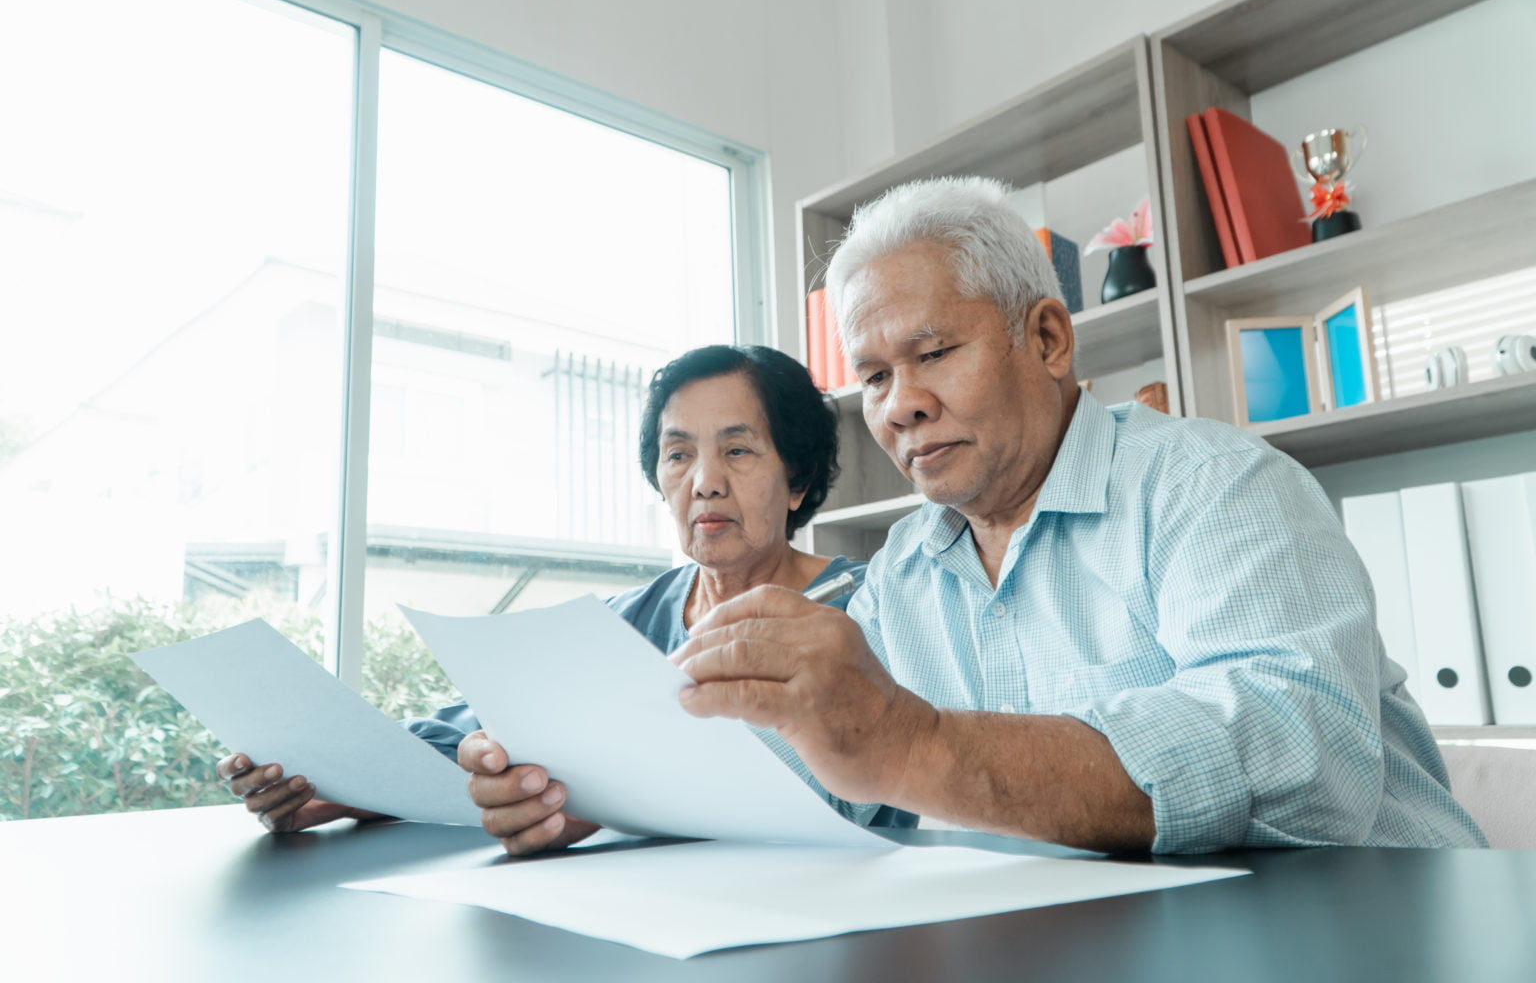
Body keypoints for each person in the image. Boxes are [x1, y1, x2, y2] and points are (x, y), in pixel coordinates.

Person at [650, 175, 1483, 854]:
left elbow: (1302, 757)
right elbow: (795, 766)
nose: (900, 407)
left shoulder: (1217, 485)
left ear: (1048, 339)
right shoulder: (903, 569)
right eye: (872, 378)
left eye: (933, 353)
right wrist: (577, 793)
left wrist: (917, 747)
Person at [216, 344, 885, 846]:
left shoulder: (868, 607)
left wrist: (601, 798)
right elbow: (461, 737)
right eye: (677, 454)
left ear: (797, 480)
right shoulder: (624, 621)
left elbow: (852, 789)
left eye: (737, 452)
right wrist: (327, 788)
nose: (703, 482)